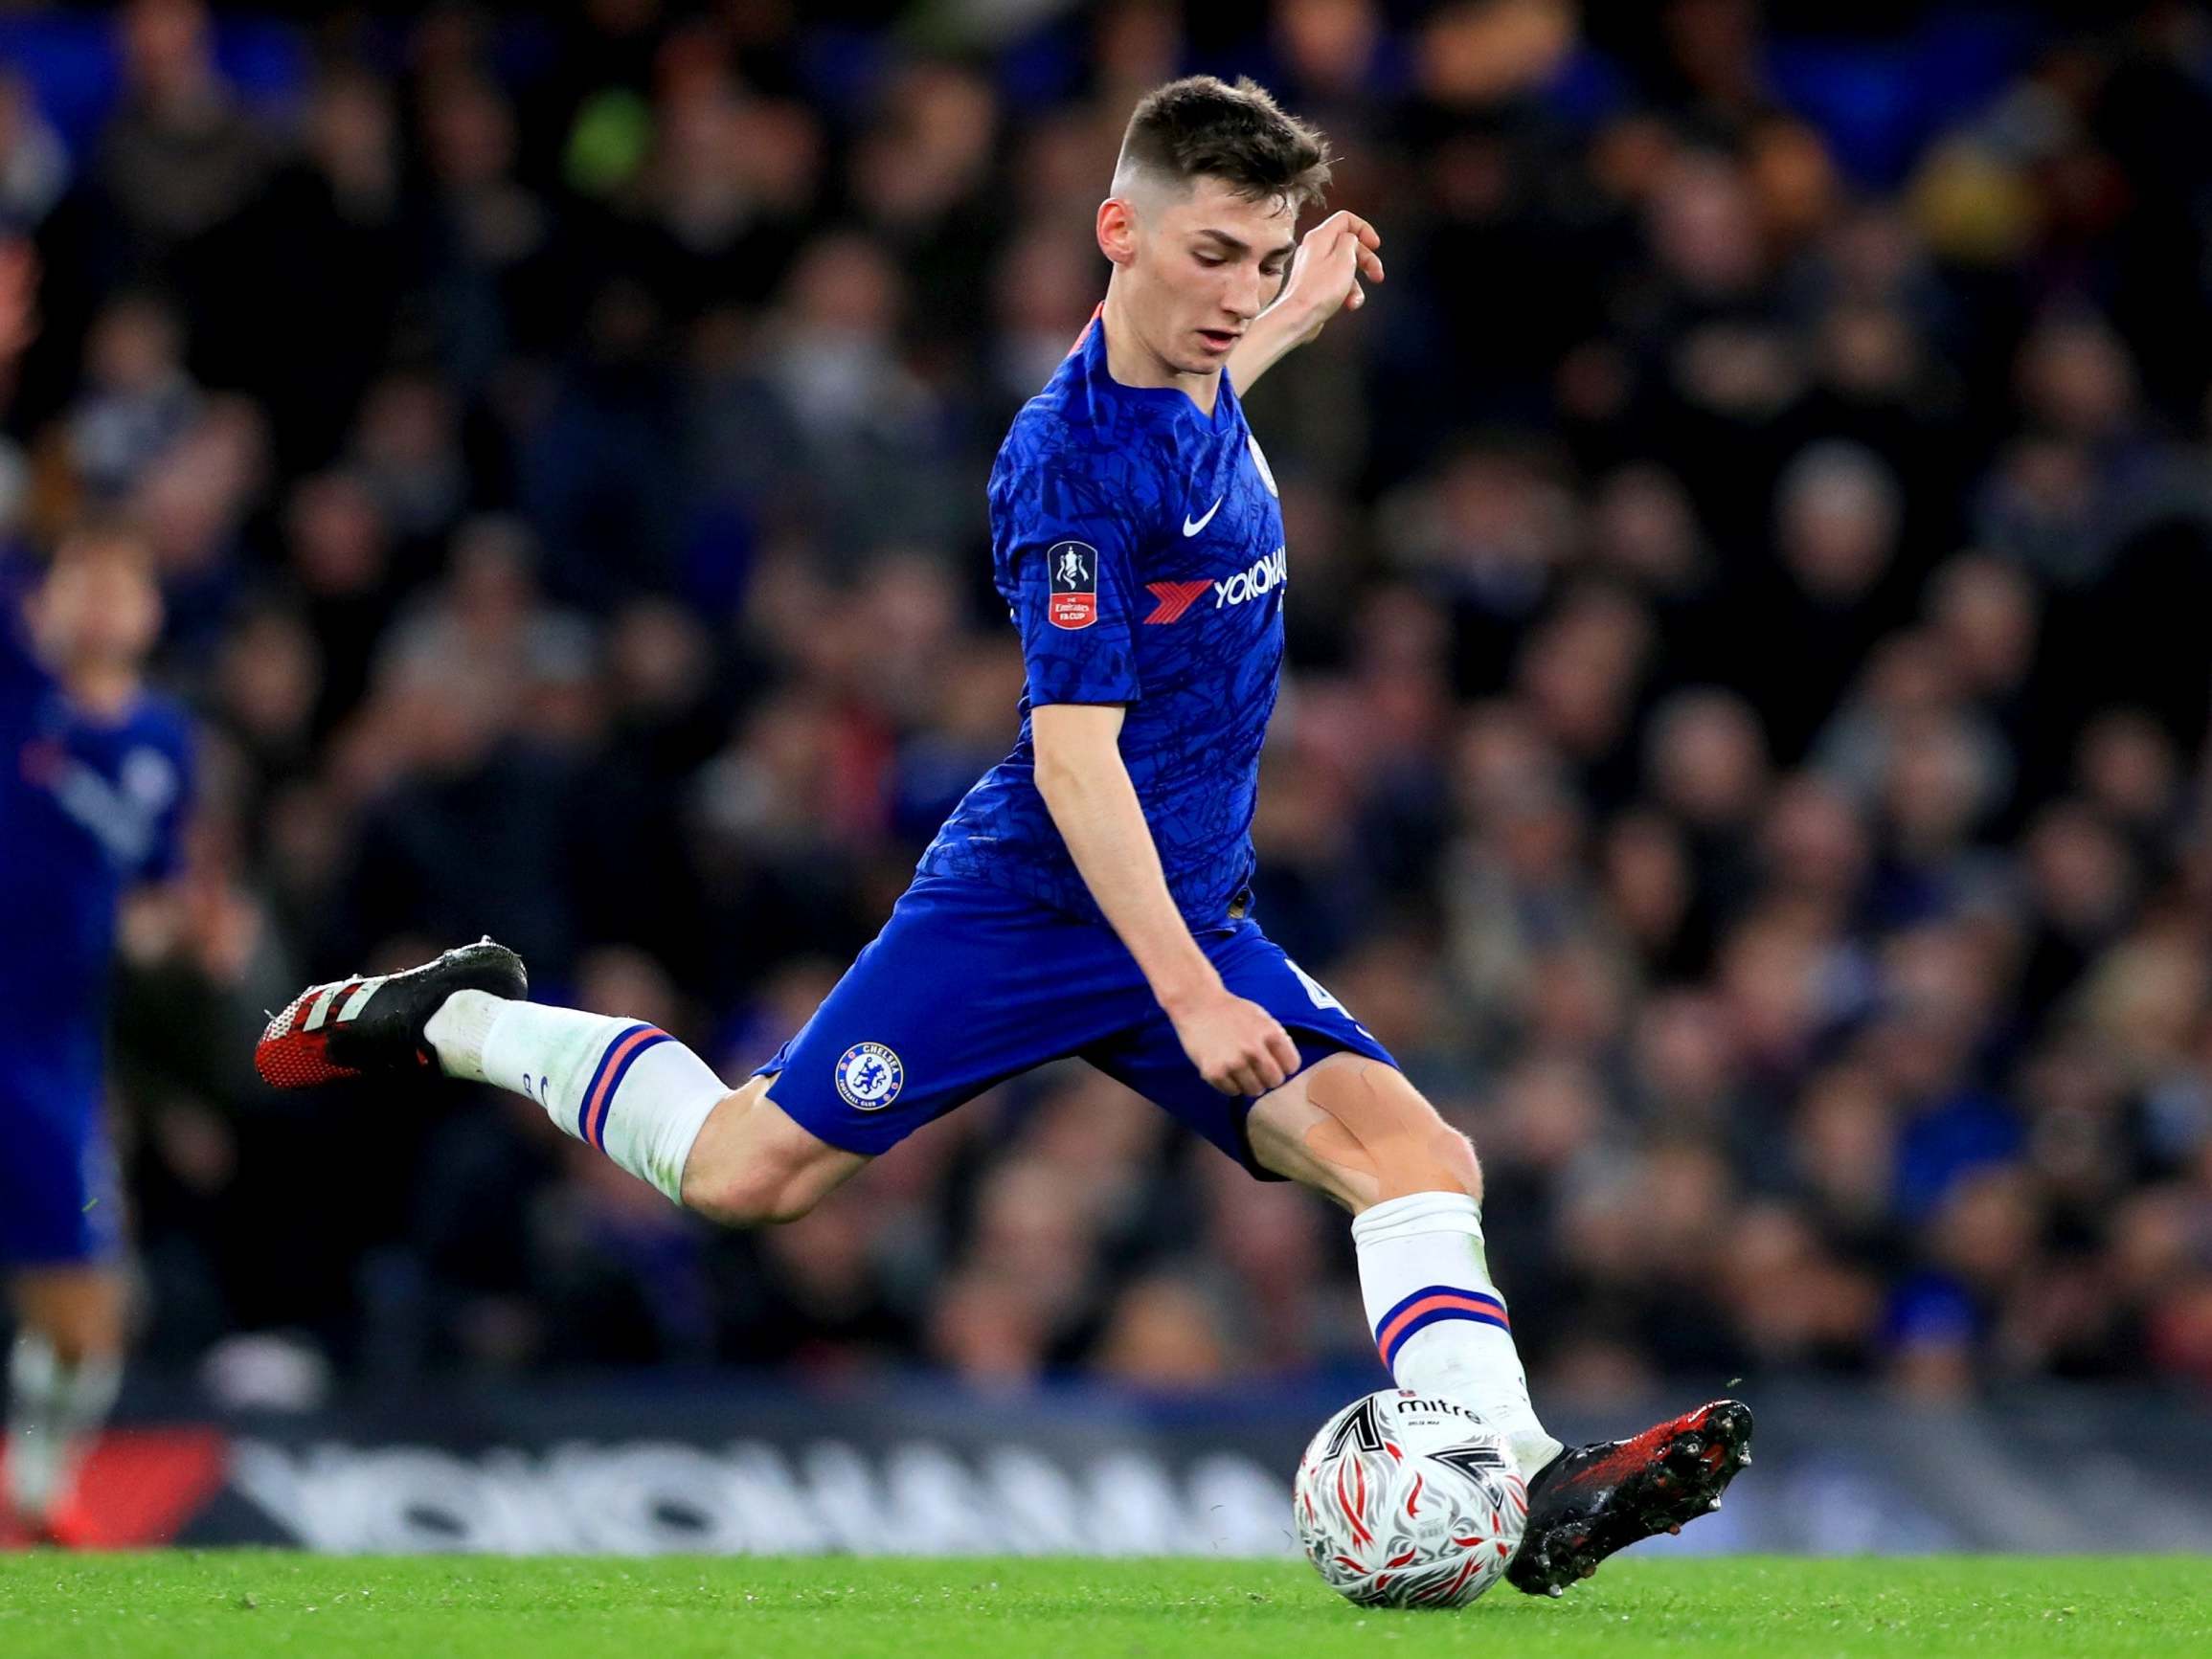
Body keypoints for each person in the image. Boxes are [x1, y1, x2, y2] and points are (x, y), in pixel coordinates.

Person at [256, 76, 1748, 1594]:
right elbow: (1074, 757)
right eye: (1215, 255)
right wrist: (1187, 988)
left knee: (1418, 1158)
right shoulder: (1069, 466)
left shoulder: (1203, 358)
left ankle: (1526, 1479)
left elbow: (1227, 370)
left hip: (1190, 908)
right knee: (741, 1172)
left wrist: (1301, 295)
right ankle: (470, 1019)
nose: (1238, 291)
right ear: (1120, 232)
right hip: (1035, 907)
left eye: (1263, 252)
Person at [1, 525, 193, 1543]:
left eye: (125, 585)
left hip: (52, 1051)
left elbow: (157, 896)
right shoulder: (15, 693)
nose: (103, 604)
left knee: (84, 1312)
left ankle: (34, 1486)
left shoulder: (163, 740)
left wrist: (181, 937)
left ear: (151, 611)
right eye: (86, 580)